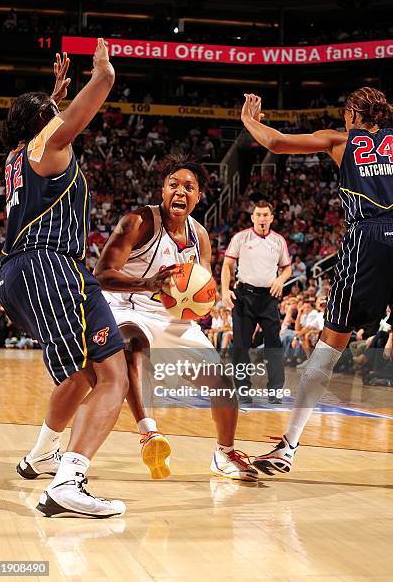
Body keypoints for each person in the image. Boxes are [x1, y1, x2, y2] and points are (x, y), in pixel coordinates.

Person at [0, 41, 129, 517]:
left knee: (80, 373)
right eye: (53, 113)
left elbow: (40, 127)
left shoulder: (16, 156)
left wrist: (50, 99)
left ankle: (41, 456)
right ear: (45, 123)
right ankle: (68, 481)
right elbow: (95, 97)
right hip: (51, 265)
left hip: (17, 275)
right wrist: (102, 72)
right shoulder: (51, 143)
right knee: (113, 372)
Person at [240, 88, 393, 474]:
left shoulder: (340, 140)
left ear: (354, 113)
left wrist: (248, 120)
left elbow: (275, 142)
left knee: (330, 344)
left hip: (368, 239)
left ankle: (288, 446)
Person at [94, 154, 259, 482]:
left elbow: (205, 287)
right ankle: (149, 432)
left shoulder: (201, 237)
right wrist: (148, 284)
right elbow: (100, 274)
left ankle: (224, 455)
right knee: (131, 344)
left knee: (222, 382)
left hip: (173, 318)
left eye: (189, 187)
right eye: (173, 185)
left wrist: (205, 304)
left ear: (198, 197)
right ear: (163, 191)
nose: (180, 192)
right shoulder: (138, 222)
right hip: (129, 306)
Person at [221, 201, 292, 404]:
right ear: (252, 217)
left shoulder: (278, 241)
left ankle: (275, 390)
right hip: (244, 296)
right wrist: (225, 290)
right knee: (241, 345)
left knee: (274, 344)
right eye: (258, 215)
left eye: (265, 215)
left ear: (271, 218)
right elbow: (227, 265)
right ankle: (243, 390)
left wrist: (280, 279)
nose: (262, 218)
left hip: (269, 297)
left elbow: (287, 268)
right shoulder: (241, 238)